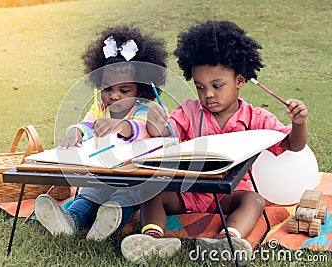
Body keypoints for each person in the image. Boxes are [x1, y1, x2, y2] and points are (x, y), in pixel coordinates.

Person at [121, 20, 308, 264]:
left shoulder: (256, 118)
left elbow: (293, 145)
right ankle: (152, 239)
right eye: (200, 87)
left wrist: (299, 123)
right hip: (190, 190)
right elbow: (165, 135)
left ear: (240, 81)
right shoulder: (189, 111)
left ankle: (226, 240)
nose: (208, 94)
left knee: (255, 201)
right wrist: (155, 122)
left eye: (217, 86)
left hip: (231, 194)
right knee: (151, 191)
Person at [34, 25, 168, 241]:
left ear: (140, 90)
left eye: (124, 90)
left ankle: (106, 224)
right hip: (102, 175)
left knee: (124, 199)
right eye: (108, 89)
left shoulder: (144, 109)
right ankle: (70, 221)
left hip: (134, 178)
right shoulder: (99, 108)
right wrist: (76, 132)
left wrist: (117, 126)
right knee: (89, 195)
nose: (114, 96)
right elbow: (87, 125)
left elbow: (138, 128)